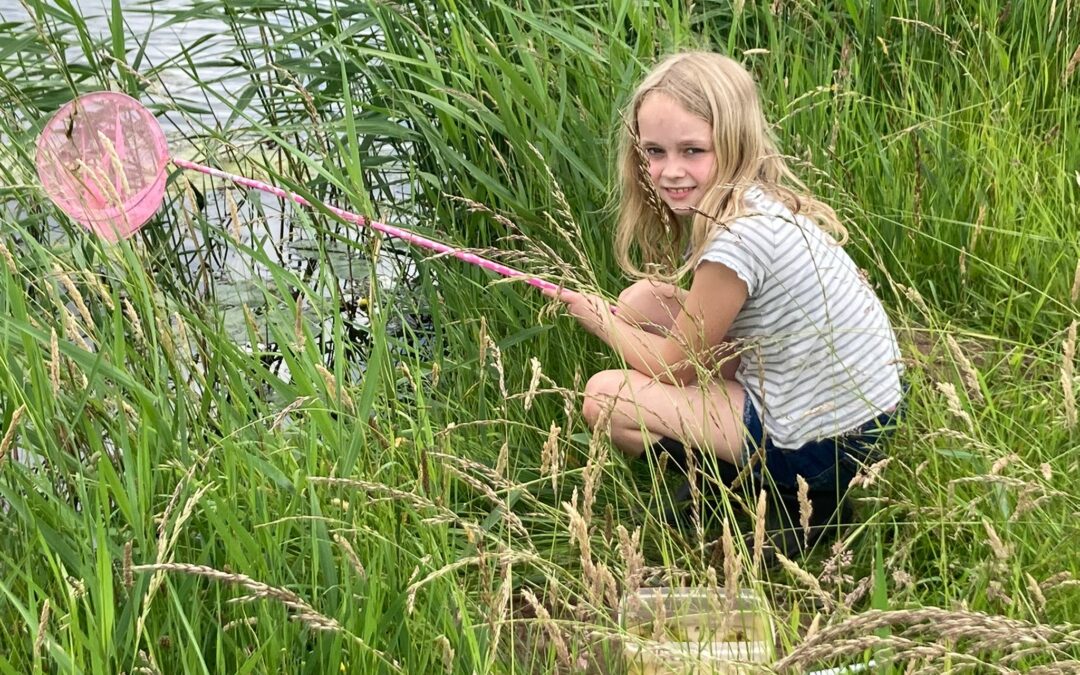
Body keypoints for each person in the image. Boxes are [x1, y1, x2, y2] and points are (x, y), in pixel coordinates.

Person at [545, 51, 904, 559]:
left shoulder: (736, 239)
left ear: (733, 142)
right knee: (640, 300)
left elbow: (676, 369)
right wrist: (620, 313)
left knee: (607, 399)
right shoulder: (752, 201)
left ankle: (765, 494)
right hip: (862, 408)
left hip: (828, 442)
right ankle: (730, 470)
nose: (669, 171)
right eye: (654, 151)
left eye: (692, 150)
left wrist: (596, 317)